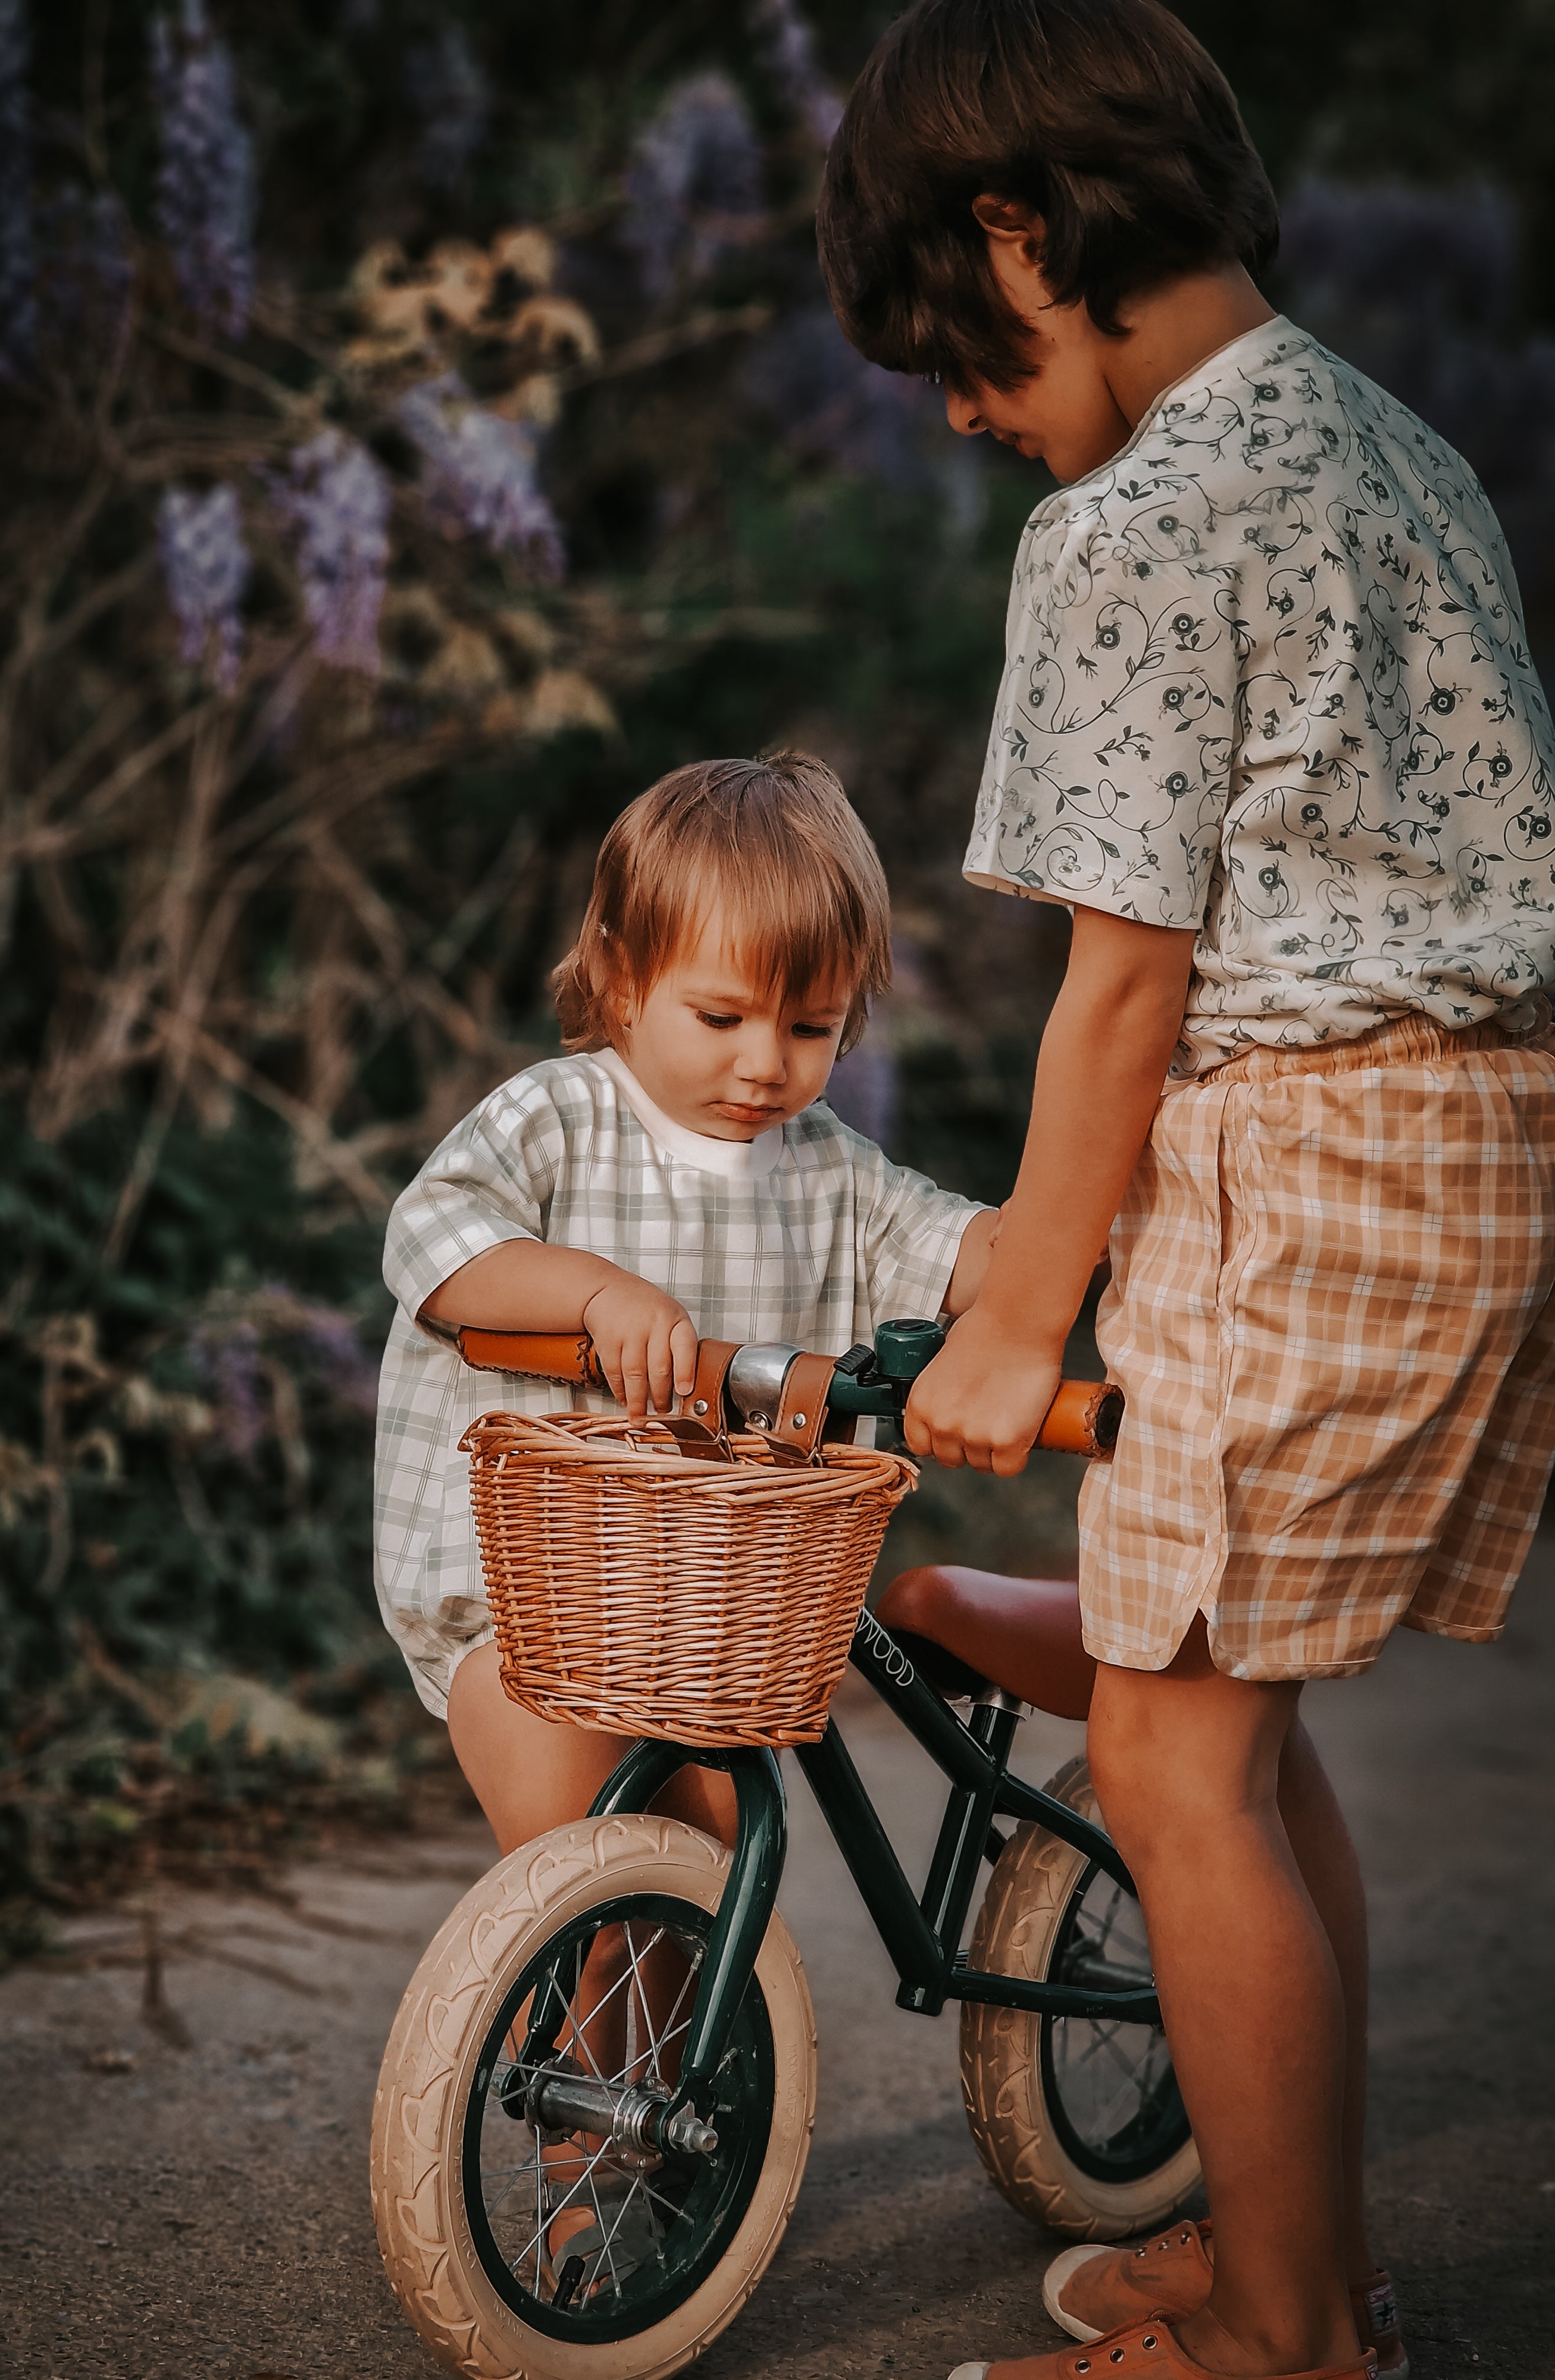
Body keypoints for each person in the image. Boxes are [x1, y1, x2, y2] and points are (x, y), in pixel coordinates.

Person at [818, 5, 1555, 2379]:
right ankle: (1284, 2258)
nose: (958, 407)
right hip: (1477, 1138)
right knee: (1233, 1733)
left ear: (1022, 233)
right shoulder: (1401, 445)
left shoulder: (1133, 525)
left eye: (953, 342)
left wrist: (1017, 1311)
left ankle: (1285, 2339)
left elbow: (1124, 984)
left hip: (1309, 1148)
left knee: (1164, 1758)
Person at [374, 749, 999, 1854]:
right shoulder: (560, 1118)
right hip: (527, 1602)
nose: (765, 1064)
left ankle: (695, 1972)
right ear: (622, 982)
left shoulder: (831, 1169)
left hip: (715, 1628)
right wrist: (593, 1292)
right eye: (722, 1018)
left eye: (810, 1029)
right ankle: (583, 1973)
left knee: (708, 1867)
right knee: (581, 1851)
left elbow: (963, 1252)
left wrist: (1087, 1230)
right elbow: (433, 1244)